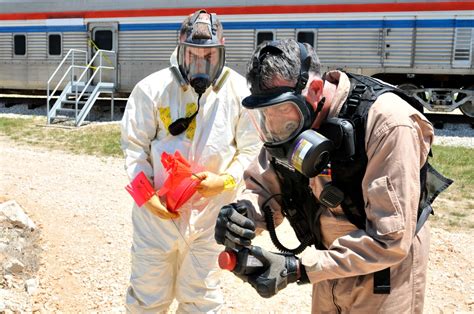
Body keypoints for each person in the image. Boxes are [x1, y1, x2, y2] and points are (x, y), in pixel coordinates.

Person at [214, 39, 451, 313]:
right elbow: (263, 186)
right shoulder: (287, 128)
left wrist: (299, 268)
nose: (274, 126)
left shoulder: (388, 123)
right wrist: (242, 214)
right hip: (329, 268)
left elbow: (390, 239)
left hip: (383, 278)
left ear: (314, 90)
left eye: (281, 111)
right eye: (265, 115)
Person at [121, 9, 261, 312]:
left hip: (209, 218)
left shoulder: (239, 93)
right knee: (147, 298)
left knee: (201, 301)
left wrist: (226, 180)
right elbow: (133, 150)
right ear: (180, 51)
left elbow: (252, 150)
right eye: (192, 55)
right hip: (155, 219)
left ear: (221, 52)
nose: (200, 64)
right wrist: (147, 197)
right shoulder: (151, 90)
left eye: (209, 56)